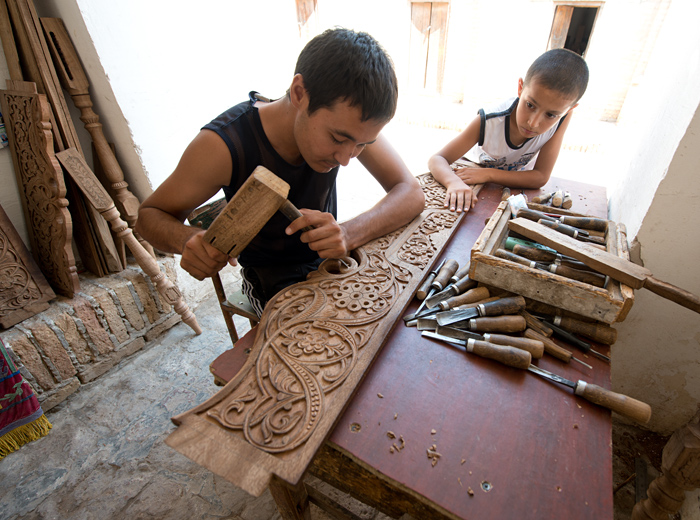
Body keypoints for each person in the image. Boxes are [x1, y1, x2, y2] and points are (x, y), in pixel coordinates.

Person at [136, 28, 425, 317]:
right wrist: (186, 240)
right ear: (300, 94)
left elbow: (410, 192)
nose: (346, 159)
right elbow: (148, 217)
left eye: (363, 145)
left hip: (328, 264)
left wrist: (348, 233)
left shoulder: (351, 125)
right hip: (270, 281)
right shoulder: (223, 145)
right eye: (337, 140)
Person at [428, 48, 589, 213]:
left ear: (569, 110)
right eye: (530, 105)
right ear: (520, 88)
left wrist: (489, 174)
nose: (533, 123)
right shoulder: (490, 120)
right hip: (472, 174)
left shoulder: (562, 118)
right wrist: (453, 182)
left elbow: (540, 176)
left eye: (550, 115)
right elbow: (437, 159)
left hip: (500, 184)